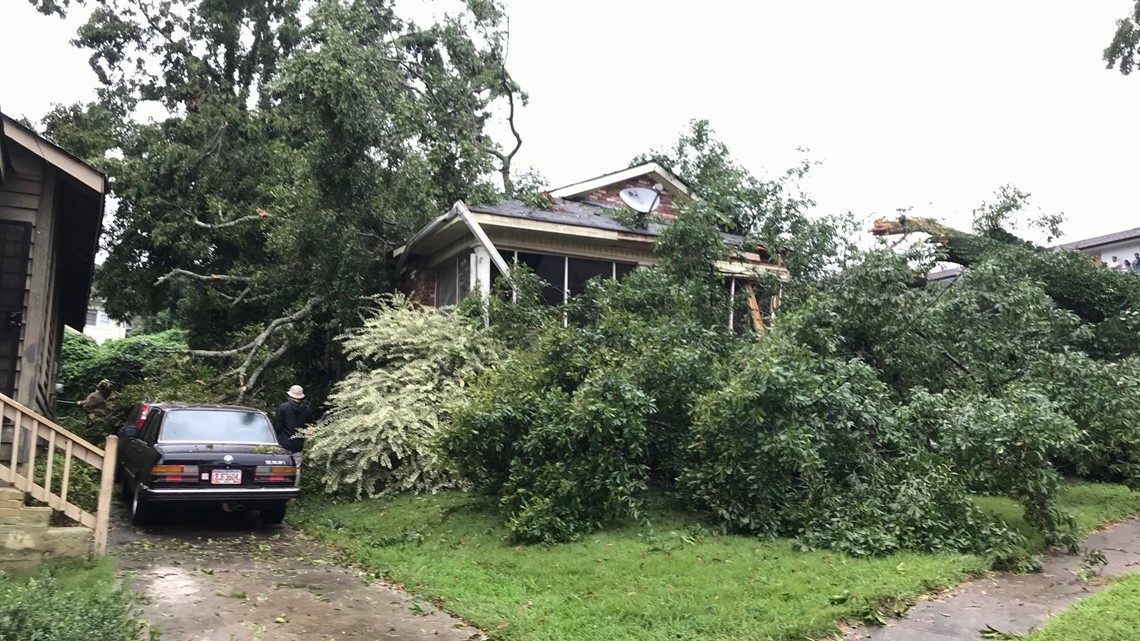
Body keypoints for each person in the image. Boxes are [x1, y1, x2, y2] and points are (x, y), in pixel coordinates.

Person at [274, 384, 311, 455]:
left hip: (283, 444)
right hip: (298, 446)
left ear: (290, 395)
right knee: (295, 466)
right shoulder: (307, 410)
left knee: (282, 466)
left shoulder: (283, 407)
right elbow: (308, 427)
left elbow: (277, 426)